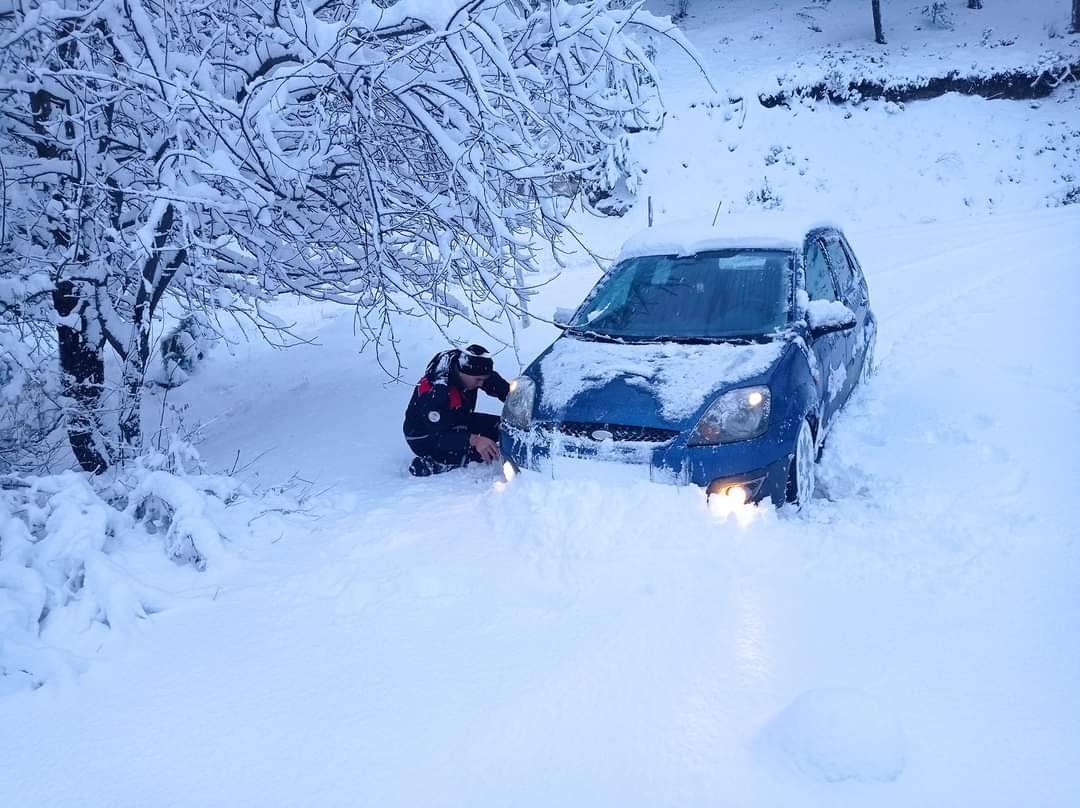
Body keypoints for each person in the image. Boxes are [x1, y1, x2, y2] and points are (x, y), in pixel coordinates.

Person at [403, 344, 511, 477]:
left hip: (457, 419)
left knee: (504, 427)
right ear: (462, 372)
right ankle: (433, 463)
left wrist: (521, 404)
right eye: (478, 380)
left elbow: (503, 390)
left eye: (484, 379)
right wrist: (475, 440)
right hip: (425, 436)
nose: (481, 384)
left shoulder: (471, 367)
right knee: (486, 452)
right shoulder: (437, 391)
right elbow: (439, 435)